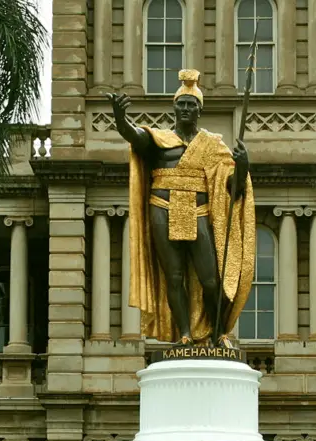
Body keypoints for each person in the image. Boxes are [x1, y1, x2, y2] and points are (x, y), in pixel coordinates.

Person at [109, 69, 255, 347]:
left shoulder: (212, 144)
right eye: (182, 104)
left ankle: (219, 332)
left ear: (199, 110)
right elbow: (134, 135)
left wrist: (243, 164)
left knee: (210, 280)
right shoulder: (160, 140)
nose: (186, 109)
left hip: (197, 212)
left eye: (192, 105)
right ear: (174, 108)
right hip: (162, 208)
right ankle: (185, 333)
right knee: (174, 276)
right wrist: (120, 118)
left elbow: (231, 187)